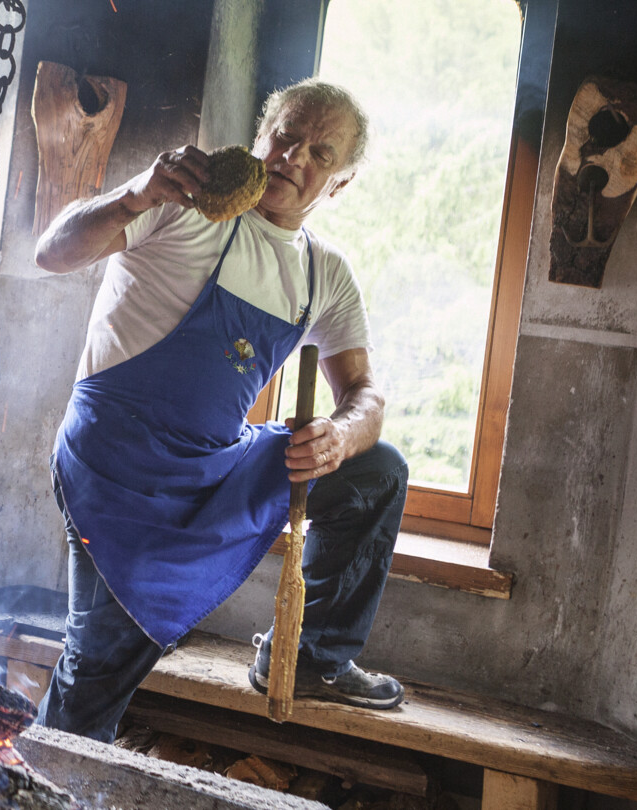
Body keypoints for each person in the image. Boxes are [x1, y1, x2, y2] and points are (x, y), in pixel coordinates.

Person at [31, 79, 410, 743]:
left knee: (376, 470)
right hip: (112, 464)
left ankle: (312, 656)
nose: (294, 158)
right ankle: (44, 778)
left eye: (320, 153)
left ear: (340, 183)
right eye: (286, 136)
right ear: (261, 135)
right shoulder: (179, 207)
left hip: (207, 469)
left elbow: (367, 397)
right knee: (98, 666)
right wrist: (134, 193)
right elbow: (52, 253)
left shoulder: (325, 275)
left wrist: (341, 436)